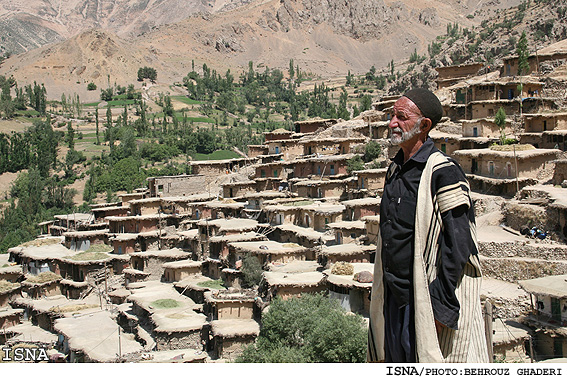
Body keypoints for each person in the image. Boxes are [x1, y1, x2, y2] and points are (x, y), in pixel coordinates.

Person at [367, 88, 489, 363]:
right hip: (392, 300)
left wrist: (439, 308)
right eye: (391, 116)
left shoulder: (444, 172)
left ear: (424, 126)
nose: (392, 123)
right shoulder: (395, 170)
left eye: (401, 117)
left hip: (423, 302)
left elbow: (459, 246)